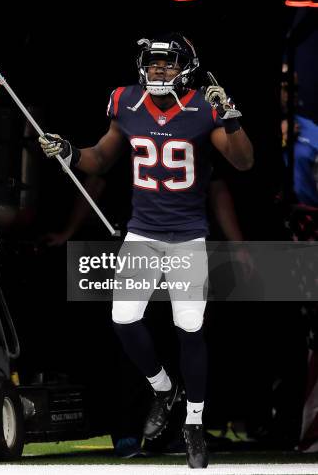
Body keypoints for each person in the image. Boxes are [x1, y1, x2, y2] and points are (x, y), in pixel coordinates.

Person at [39, 33, 254, 468]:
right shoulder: (125, 101)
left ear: (186, 68)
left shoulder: (203, 106)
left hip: (188, 235)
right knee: (123, 319)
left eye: (167, 63)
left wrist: (232, 120)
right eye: (153, 63)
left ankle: (194, 423)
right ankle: (163, 389)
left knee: (189, 326)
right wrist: (68, 151)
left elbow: (243, 162)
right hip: (142, 233)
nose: (158, 70)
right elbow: (99, 160)